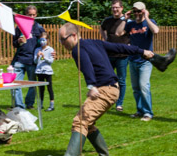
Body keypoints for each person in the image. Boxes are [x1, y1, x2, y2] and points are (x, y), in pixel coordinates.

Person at [59, 22, 154, 156]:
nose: (61, 43)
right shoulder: (95, 43)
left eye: (63, 39)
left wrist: (91, 85)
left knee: (79, 122)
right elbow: (120, 47)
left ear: (73, 35)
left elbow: (87, 66)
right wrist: (141, 51)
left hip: (105, 90)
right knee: (88, 124)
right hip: (112, 89)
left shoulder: (77, 49)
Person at [116, 1, 159, 121]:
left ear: (144, 11)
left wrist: (147, 17)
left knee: (144, 86)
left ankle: (148, 113)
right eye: (135, 11)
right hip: (133, 59)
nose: (136, 13)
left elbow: (156, 31)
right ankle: (140, 110)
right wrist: (124, 19)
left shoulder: (149, 22)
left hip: (146, 60)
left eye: (139, 11)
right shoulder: (131, 24)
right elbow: (118, 33)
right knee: (136, 88)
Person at [12, 5, 45, 109]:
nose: (31, 16)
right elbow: (14, 44)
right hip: (19, 59)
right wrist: (18, 41)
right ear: (25, 14)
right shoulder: (18, 27)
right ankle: (19, 105)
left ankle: (29, 103)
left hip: (32, 60)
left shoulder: (39, 28)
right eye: (29, 14)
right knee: (16, 84)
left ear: (36, 15)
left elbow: (44, 44)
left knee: (32, 84)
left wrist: (47, 51)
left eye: (33, 15)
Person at [100, 0, 130, 112]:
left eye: (117, 7)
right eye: (113, 7)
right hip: (109, 54)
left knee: (121, 80)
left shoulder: (127, 21)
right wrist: (105, 38)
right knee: (108, 79)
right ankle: (108, 101)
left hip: (122, 55)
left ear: (122, 8)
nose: (115, 9)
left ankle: (119, 104)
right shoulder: (107, 21)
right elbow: (102, 28)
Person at [34, 32, 55, 111]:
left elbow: (50, 61)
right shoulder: (37, 49)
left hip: (47, 71)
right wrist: (37, 56)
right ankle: (41, 104)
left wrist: (44, 57)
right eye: (41, 39)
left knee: (49, 88)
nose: (42, 41)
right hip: (39, 71)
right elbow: (35, 61)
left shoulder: (50, 49)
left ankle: (51, 105)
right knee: (41, 89)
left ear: (47, 40)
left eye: (44, 39)